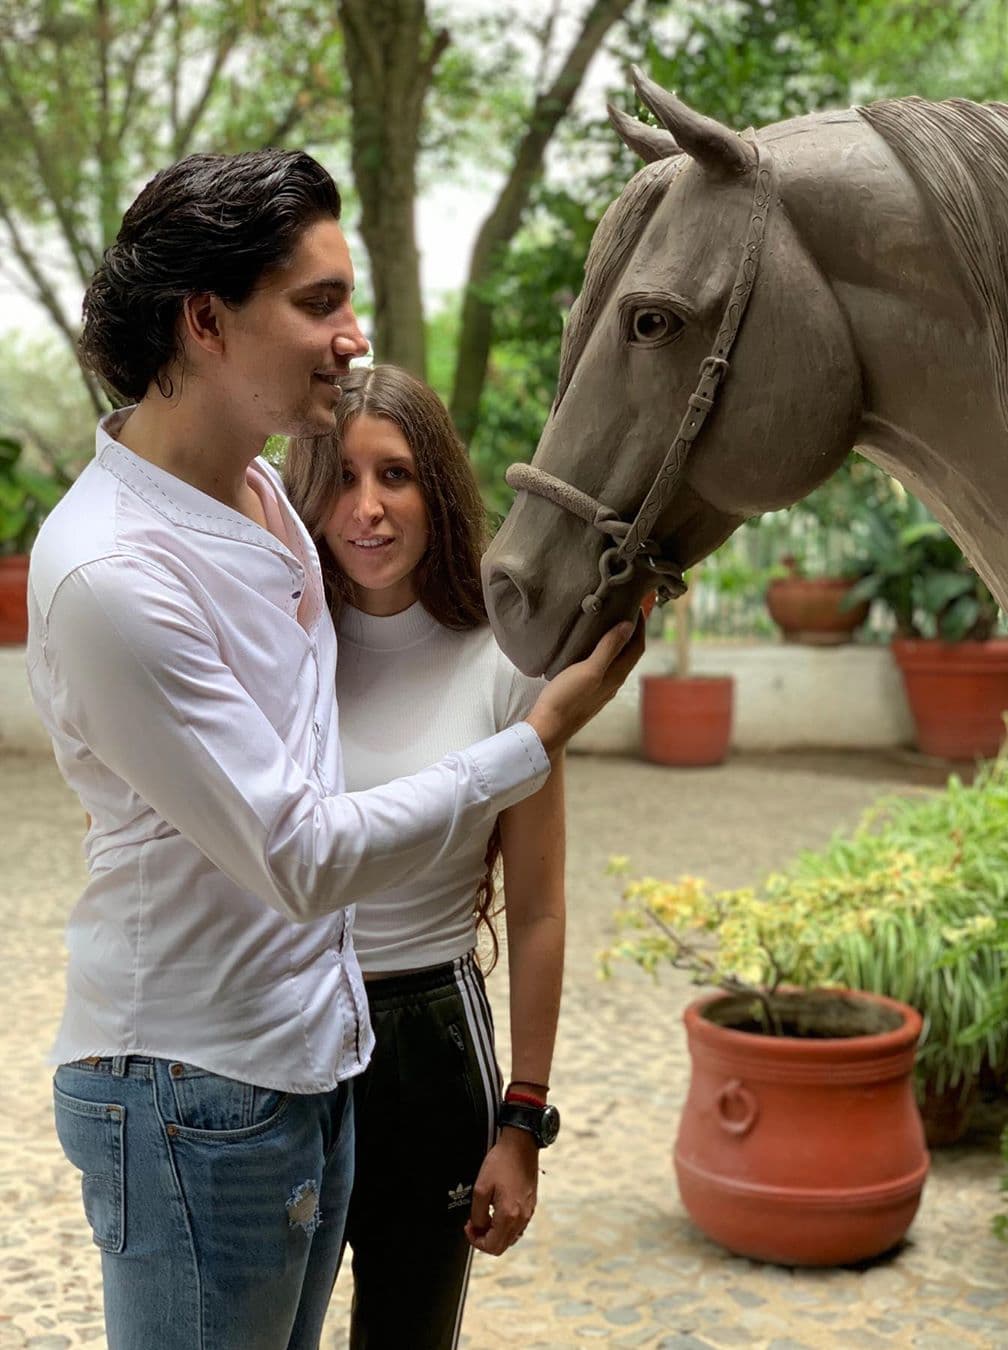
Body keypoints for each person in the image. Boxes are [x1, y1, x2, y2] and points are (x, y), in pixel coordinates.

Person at [27, 148, 642, 1350]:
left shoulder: (257, 501)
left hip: (313, 1060)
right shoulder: (113, 572)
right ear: (205, 321)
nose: (354, 336)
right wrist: (541, 735)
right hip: (188, 1086)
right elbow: (299, 855)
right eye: (320, 303)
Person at [284, 365, 564, 1348]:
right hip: (285, 1036)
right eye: (342, 476)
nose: (367, 508)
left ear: (435, 488)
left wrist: (522, 1123)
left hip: (431, 1044)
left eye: (395, 475)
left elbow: (535, 910)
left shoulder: (505, 664)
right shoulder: (281, 649)